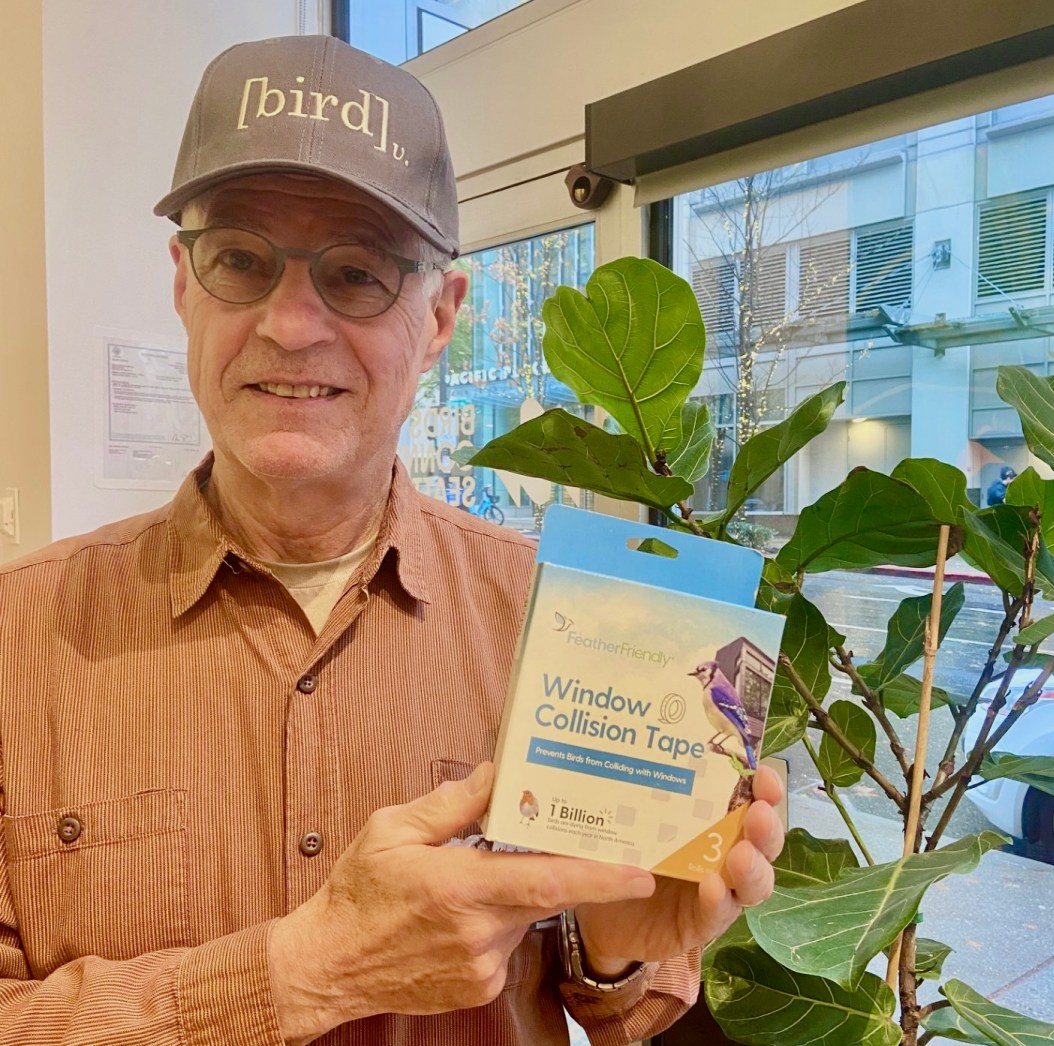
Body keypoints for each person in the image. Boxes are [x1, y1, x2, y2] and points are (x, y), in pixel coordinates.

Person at [0, 35, 784, 1044]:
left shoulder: (575, 626)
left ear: (441, 314)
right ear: (184, 284)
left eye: (358, 273)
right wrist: (295, 973)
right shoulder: (18, 636)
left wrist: (615, 948)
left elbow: (626, 1001)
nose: (290, 324)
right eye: (240, 259)